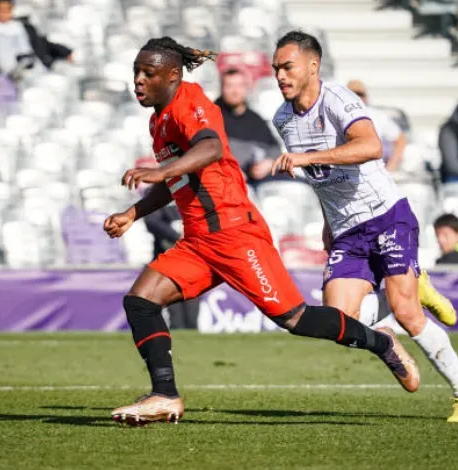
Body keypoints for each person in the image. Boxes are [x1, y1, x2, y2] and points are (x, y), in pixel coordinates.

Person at [103, 36, 419, 425]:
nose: (138, 80)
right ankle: (164, 395)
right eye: (136, 72)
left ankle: (380, 342)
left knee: (296, 319)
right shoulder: (159, 119)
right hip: (200, 242)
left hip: (236, 235)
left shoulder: (192, 103)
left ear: (171, 75)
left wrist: (162, 169)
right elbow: (178, 180)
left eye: (147, 73)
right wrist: (134, 212)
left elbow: (212, 147)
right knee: (141, 301)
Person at [270, 31, 458, 422]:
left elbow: (371, 147)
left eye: (288, 67)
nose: (280, 76)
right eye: (275, 69)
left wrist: (306, 158)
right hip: (347, 229)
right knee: (339, 319)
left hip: (386, 213)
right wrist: (326, 220)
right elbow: (321, 176)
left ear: (312, 66)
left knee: (407, 311)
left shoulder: (338, 99)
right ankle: (390, 328)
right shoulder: (282, 119)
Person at [0, 0, 73, 80]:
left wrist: (65, 52)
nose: (3, 13)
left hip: (32, 69)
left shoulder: (24, 27)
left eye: (6, 10)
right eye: (0, 10)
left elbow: (41, 44)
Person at [214, 68, 281, 186]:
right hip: (222, 182)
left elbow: (275, 148)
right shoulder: (209, 116)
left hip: (257, 182)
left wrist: (268, 163)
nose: (235, 91)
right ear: (221, 88)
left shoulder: (255, 119)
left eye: (240, 85)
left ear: (247, 87)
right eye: (229, 86)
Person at [144, 201, 200, 329]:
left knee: (192, 315)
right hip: (168, 263)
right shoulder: (158, 193)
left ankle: (193, 343)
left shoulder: (195, 192)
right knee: (175, 315)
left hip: (193, 263)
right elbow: (152, 221)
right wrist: (176, 236)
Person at [346, 79, 406, 173]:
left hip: (373, 171)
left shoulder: (377, 116)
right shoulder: (333, 116)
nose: (357, 98)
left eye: (360, 94)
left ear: (366, 97)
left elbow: (400, 140)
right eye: (353, 94)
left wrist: (390, 167)